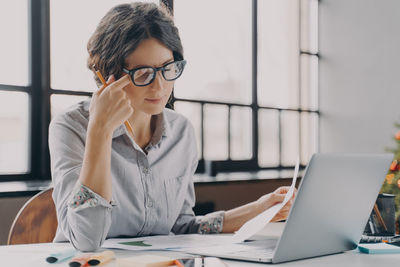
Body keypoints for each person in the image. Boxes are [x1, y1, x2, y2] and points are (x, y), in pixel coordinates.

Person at [49, 2, 295, 252]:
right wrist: (100, 129)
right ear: (107, 76)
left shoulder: (181, 132)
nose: (159, 87)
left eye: (168, 69)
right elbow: (86, 240)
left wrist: (259, 210)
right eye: (143, 74)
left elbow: (182, 227)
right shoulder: (72, 126)